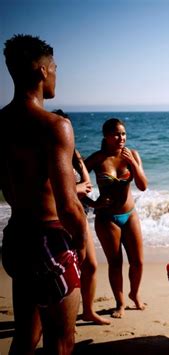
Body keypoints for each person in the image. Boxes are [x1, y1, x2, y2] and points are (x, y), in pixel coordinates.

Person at [0, 34, 88, 354]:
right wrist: (80, 244)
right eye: (54, 68)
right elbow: (67, 206)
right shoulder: (54, 125)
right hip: (50, 239)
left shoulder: (1, 122)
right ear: (42, 71)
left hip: (16, 237)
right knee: (61, 340)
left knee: (25, 335)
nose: (55, 75)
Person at [52, 109, 111, 326]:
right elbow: (52, 189)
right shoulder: (53, 154)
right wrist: (74, 189)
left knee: (91, 266)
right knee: (73, 267)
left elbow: (87, 185)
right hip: (62, 219)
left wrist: (77, 158)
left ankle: (87, 310)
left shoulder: (72, 154)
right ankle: (64, 313)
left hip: (81, 216)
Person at [85, 118, 148, 319]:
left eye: (123, 134)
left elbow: (143, 185)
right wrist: (92, 202)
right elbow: (70, 181)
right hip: (107, 218)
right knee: (115, 263)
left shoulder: (132, 154)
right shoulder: (97, 159)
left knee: (137, 261)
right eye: (116, 134)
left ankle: (135, 294)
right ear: (105, 136)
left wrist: (133, 164)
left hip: (130, 214)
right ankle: (120, 303)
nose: (121, 138)